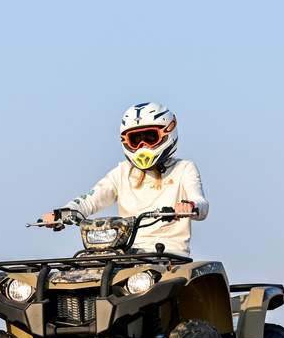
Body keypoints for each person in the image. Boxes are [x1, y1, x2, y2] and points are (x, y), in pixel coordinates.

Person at [40, 102, 209, 255]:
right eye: (136, 140)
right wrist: (62, 213)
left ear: (168, 133)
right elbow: (90, 199)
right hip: (124, 252)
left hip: (169, 255)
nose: (143, 146)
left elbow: (201, 204)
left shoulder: (184, 168)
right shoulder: (122, 172)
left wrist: (190, 206)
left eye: (150, 137)